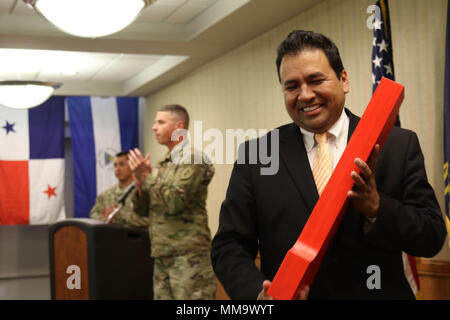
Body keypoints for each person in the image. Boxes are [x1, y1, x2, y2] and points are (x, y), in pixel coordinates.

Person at [211, 30, 447, 300]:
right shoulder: (257, 155)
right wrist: (257, 295)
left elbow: (431, 236)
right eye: (292, 86)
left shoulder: (397, 145)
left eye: (315, 80)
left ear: (343, 80)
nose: (305, 95)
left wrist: (377, 208)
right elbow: (229, 246)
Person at [128, 104, 217, 300]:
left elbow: (174, 202)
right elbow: (143, 212)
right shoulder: (164, 164)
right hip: (162, 254)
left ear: (179, 127)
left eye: (160, 122)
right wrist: (140, 186)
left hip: (188, 256)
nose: (154, 127)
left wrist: (148, 178)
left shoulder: (193, 158)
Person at [90, 151, 150, 227]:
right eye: (115, 165)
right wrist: (108, 219)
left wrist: (120, 216)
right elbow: (94, 214)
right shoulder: (105, 195)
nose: (117, 169)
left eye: (122, 164)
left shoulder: (141, 192)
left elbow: (151, 221)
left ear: (132, 166)